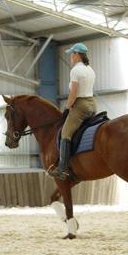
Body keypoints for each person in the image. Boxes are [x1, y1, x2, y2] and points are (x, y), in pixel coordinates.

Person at [49, 42, 96, 180]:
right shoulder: (90, 69)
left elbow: (74, 93)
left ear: (77, 55)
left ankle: (62, 169)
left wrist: (67, 107)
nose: (71, 57)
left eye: (72, 54)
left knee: (65, 134)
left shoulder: (75, 70)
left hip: (80, 106)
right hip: (92, 104)